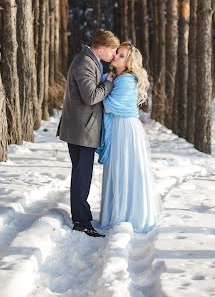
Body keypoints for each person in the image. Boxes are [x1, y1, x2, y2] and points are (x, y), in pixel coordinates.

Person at [58, 29, 120, 237]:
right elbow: (91, 96)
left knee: (82, 174)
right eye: (112, 51)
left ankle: (82, 217)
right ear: (100, 49)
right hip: (81, 130)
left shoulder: (91, 61)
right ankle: (81, 221)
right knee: (82, 176)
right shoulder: (85, 62)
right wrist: (109, 83)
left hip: (82, 128)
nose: (114, 55)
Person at [98, 42, 162, 233]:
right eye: (117, 53)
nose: (116, 56)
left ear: (129, 63)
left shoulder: (125, 80)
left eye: (122, 55)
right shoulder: (115, 77)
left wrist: (103, 88)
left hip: (125, 129)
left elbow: (111, 105)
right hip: (119, 127)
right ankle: (118, 212)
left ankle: (129, 215)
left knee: (126, 169)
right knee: (118, 169)